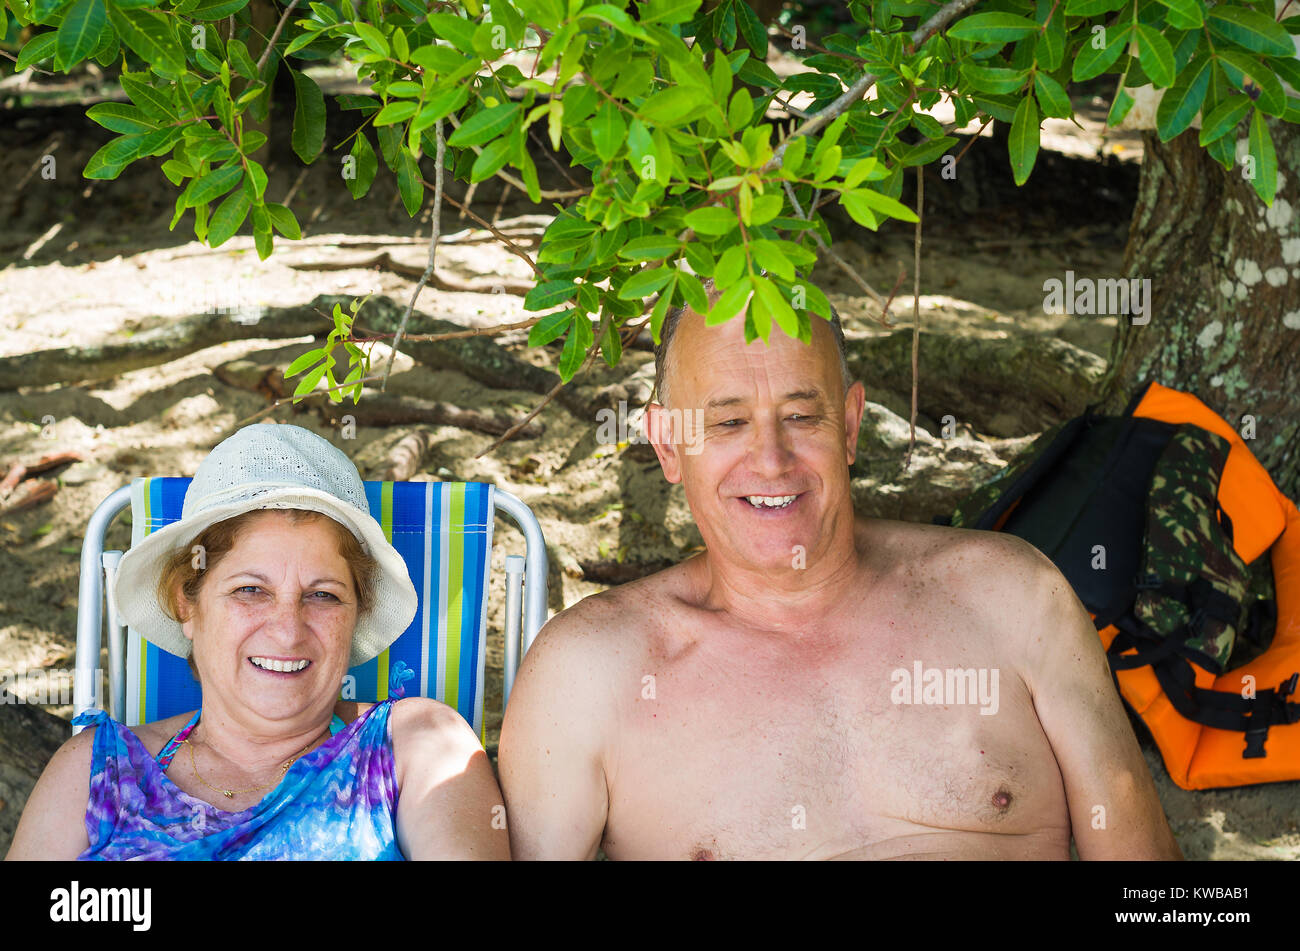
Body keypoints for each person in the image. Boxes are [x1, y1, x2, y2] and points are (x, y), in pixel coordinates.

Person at [499, 298, 1184, 860]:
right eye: (730, 421)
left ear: (851, 425)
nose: (771, 460)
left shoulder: (1011, 596)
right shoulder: (589, 672)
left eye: (801, 415)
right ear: (669, 444)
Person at [6, 423, 507, 860]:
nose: (287, 630)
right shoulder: (96, 771)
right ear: (188, 603)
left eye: (324, 595)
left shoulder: (413, 749)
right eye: (250, 590)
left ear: (357, 614)